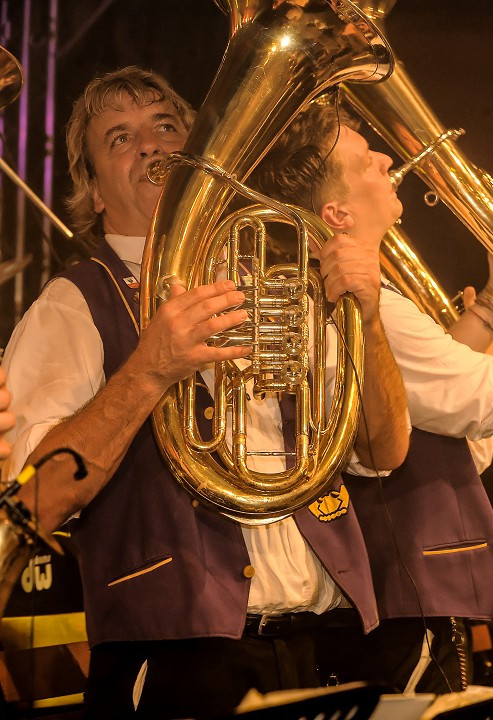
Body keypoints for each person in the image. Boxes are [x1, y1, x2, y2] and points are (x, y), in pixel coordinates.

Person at [0, 67, 411, 718]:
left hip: (331, 640)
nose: (152, 147)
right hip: (183, 661)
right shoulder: (72, 304)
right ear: (93, 189)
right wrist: (149, 369)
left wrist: (371, 318)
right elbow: (35, 497)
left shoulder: (278, 275)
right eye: (120, 138)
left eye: (167, 126)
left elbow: (384, 451)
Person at [246, 98, 493, 693]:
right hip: (403, 592)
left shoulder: (361, 300)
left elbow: (428, 402)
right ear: (337, 214)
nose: (386, 157)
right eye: (364, 161)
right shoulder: (374, 308)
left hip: (393, 589)